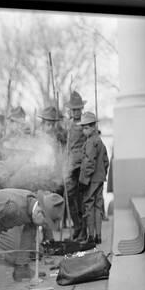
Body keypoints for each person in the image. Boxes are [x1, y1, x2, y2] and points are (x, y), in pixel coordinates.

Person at [79, 112, 109, 244]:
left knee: (89, 206)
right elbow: (106, 161)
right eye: (83, 128)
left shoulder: (91, 142)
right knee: (98, 206)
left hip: (90, 179)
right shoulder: (100, 141)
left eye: (85, 128)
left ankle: (91, 236)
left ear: (93, 127)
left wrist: (84, 180)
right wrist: (102, 175)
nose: (83, 130)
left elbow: (89, 163)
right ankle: (98, 235)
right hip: (100, 178)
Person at [64, 91, 88, 241]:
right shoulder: (69, 124)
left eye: (78, 109)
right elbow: (67, 145)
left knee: (81, 200)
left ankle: (83, 231)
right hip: (70, 165)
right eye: (74, 109)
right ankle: (77, 227)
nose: (76, 112)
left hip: (81, 166)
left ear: (82, 109)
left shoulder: (85, 124)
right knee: (70, 197)